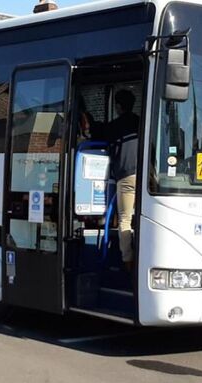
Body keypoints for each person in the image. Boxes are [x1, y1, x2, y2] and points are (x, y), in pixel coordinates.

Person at [90, 89, 140, 270]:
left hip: (126, 178)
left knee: (125, 219)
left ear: (118, 106)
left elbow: (97, 132)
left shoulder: (115, 126)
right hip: (144, 176)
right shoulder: (140, 122)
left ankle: (128, 261)